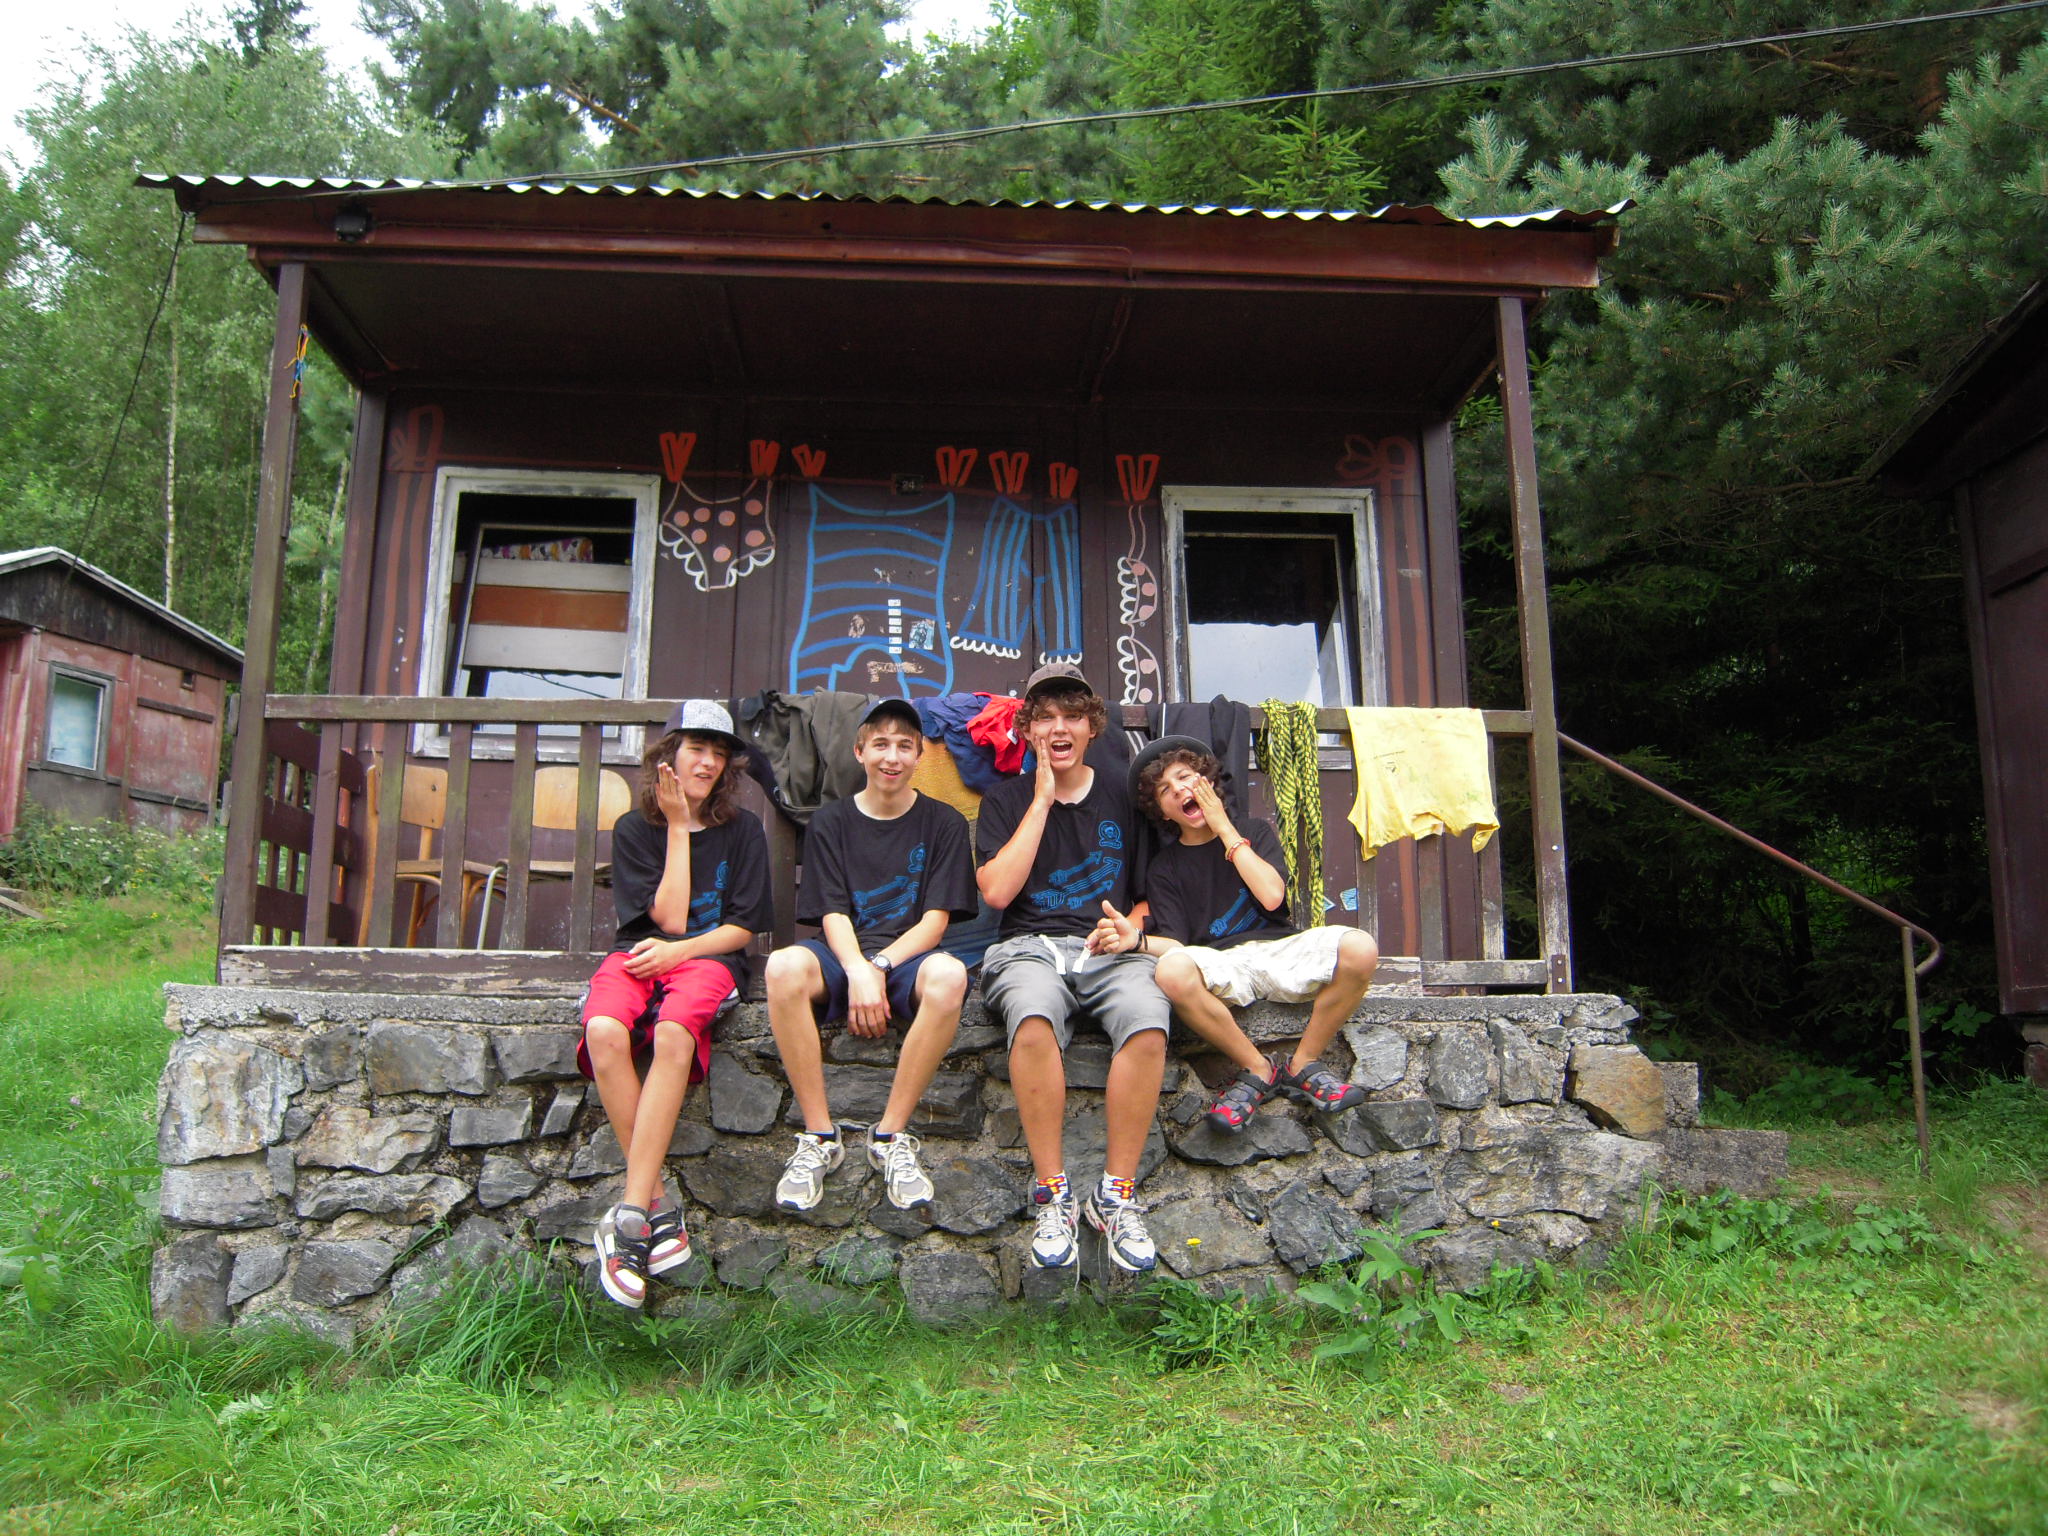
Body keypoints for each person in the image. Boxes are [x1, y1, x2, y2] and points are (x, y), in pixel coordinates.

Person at [578, 700, 773, 1310]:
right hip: (640, 954)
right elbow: (662, 919)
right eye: (696, 749)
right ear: (667, 757)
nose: (708, 763)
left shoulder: (744, 830)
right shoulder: (634, 829)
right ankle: (658, 1204)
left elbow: (736, 929)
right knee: (604, 1028)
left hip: (710, 958)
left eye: (719, 754)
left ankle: (630, 1216)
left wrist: (679, 952)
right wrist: (678, 826)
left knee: (672, 1032)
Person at [976, 663, 1169, 1273]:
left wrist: (1131, 928)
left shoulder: (1123, 796)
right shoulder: (1004, 801)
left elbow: (1151, 894)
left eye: (1072, 717)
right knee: (1032, 1014)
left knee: (1148, 1018)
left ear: (1092, 728)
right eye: (1045, 718)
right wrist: (1040, 800)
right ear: (1028, 730)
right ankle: (1053, 1193)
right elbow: (997, 893)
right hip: (1028, 946)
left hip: (1107, 948)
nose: (1059, 728)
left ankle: (1116, 1196)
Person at [1093, 736, 1379, 1134]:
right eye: (1165, 790)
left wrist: (1224, 828)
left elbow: (1271, 895)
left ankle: (1304, 1062)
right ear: (1161, 811)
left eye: (1185, 777)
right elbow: (1177, 945)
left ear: (1208, 782)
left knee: (1361, 947)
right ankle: (1257, 1068)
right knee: (1171, 970)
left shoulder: (1252, 831)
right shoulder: (1165, 867)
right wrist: (1136, 940)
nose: (1178, 790)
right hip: (1222, 961)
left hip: (1278, 947)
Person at [763, 699, 977, 1212]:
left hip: (908, 958)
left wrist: (879, 968)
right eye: (880, 744)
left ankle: (890, 1136)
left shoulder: (944, 823)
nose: (892, 756)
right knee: (782, 966)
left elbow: (935, 922)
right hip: (841, 955)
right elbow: (832, 913)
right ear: (859, 752)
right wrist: (858, 970)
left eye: (904, 745)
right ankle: (820, 1136)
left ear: (919, 755)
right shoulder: (830, 822)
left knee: (950, 976)